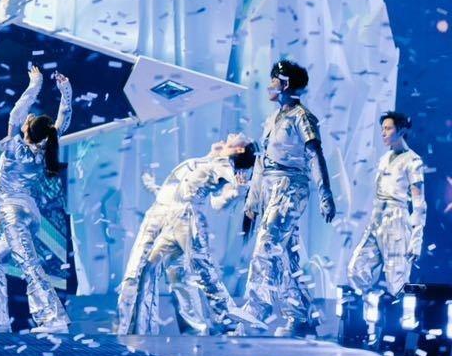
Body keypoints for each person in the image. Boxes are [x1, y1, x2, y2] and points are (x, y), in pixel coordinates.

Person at [116, 135, 256, 335]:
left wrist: (237, 191)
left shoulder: (222, 166)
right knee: (152, 268)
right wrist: (152, 186)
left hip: (185, 220)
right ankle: (140, 328)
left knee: (198, 273)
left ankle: (220, 322)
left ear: (238, 150)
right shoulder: (203, 161)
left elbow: (219, 201)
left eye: (240, 138)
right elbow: (175, 191)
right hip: (163, 215)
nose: (233, 135)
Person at [241, 59, 337, 336]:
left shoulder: (301, 117)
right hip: (270, 186)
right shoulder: (272, 119)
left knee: (267, 245)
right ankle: (301, 316)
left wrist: (325, 193)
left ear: (285, 84)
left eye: (274, 80)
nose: (269, 85)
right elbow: (262, 162)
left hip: (290, 187)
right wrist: (252, 203)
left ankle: (256, 311)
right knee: (287, 253)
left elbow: (315, 155)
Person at [0, 65, 72, 334]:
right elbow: (63, 119)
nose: (26, 120)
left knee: (28, 264)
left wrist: (35, 84)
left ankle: (53, 319)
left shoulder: (15, 147)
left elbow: (16, 112)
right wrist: (65, 91)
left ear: (27, 131)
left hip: (13, 212)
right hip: (27, 213)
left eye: (29, 122)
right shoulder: (43, 150)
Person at [345, 111, 427, 297]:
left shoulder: (413, 161)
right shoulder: (384, 159)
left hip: (397, 220)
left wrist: (416, 239)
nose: (383, 133)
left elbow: (419, 203)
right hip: (377, 218)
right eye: (382, 129)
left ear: (401, 131)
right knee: (357, 269)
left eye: (388, 128)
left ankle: (398, 312)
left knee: (396, 281)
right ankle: (371, 306)